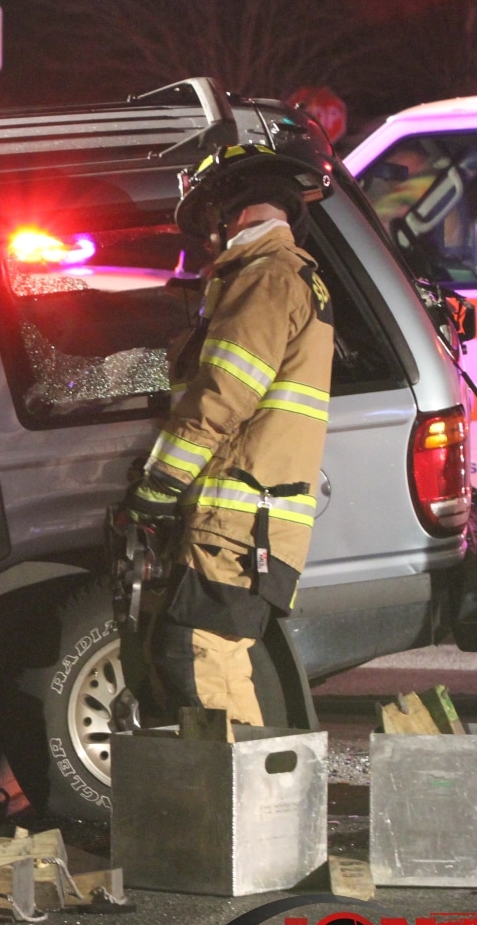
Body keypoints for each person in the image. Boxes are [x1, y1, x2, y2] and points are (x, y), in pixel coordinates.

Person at [126, 142, 335, 726]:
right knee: (204, 658)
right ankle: (249, 780)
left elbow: (222, 393)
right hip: (251, 519)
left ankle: (245, 783)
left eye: (208, 220)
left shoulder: (265, 278)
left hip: (239, 518)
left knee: (199, 657)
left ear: (233, 210)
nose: (206, 240)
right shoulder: (283, 275)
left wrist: (160, 482)